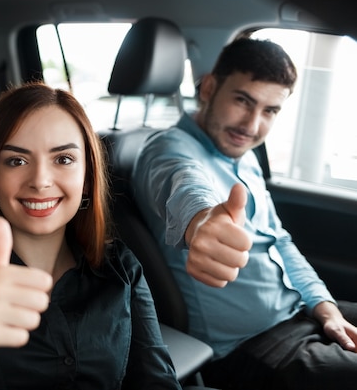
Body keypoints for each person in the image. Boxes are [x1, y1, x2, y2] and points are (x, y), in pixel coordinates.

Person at [0, 82, 181, 390]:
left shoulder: (120, 267)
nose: (40, 181)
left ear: (88, 178)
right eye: (16, 161)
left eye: (63, 159)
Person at [131, 37, 357, 389]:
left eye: (270, 111)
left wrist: (325, 307)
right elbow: (184, 185)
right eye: (242, 100)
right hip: (252, 347)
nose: (252, 126)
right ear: (208, 88)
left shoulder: (244, 155)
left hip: (302, 313)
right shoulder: (166, 150)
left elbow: (279, 240)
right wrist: (201, 221)